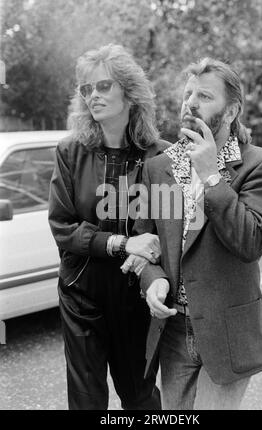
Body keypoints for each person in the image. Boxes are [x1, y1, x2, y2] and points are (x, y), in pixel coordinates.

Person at [127, 58, 262, 409]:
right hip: (173, 332)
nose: (191, 102)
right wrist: (152, 279)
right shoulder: (158, 168)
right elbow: (144, 243)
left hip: (227, 332)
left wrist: (212, 176)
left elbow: (251, 241)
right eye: (187, 94)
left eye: (204, 96)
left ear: (231, 112)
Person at [48, 44, 169, 410]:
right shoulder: (71, 151)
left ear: (129, 92)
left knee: (140, 396)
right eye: (86, 89)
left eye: (103, 86)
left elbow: (170, 229)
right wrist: (121, 242)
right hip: (81, 293)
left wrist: (155, 252)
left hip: (136, 295)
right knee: (86, 400)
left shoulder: (159, 155)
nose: (92, 96)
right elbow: (62, 226)